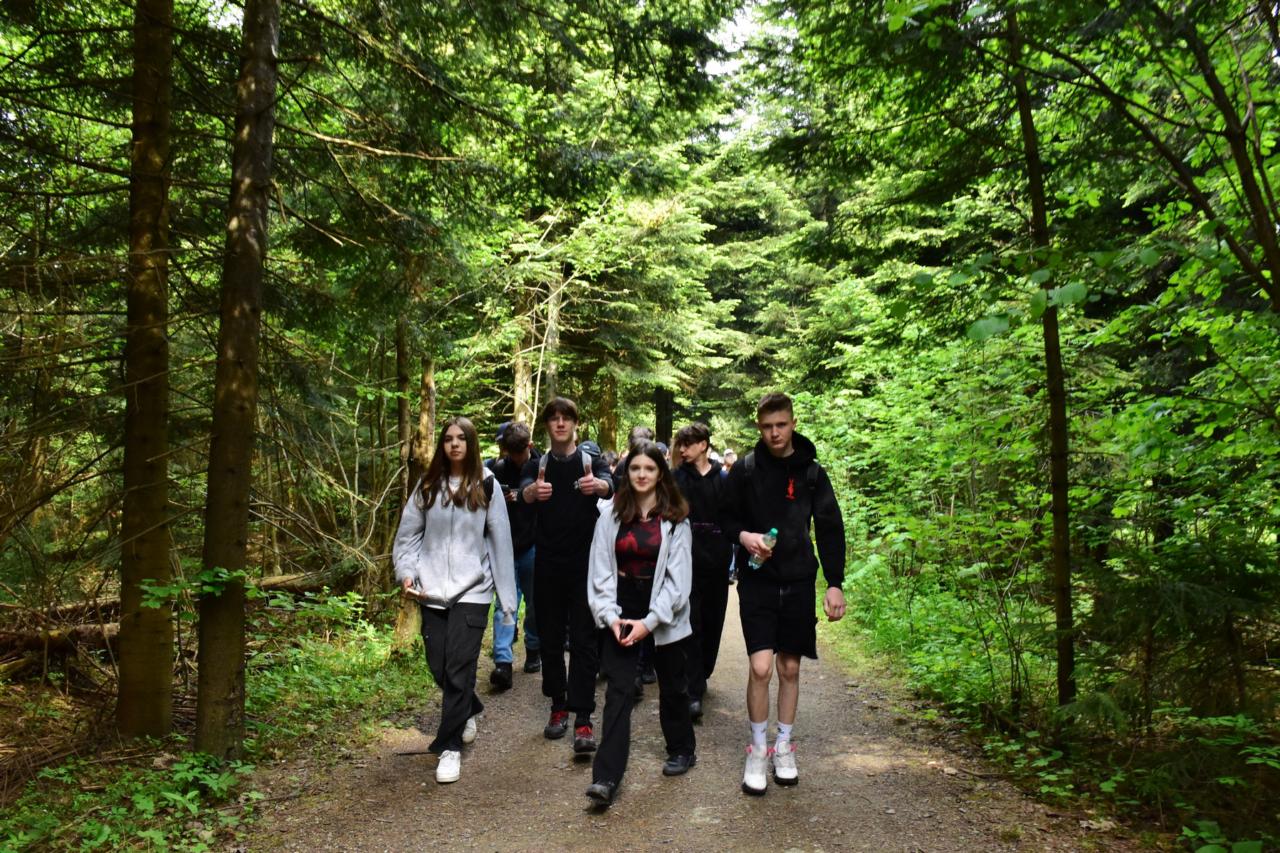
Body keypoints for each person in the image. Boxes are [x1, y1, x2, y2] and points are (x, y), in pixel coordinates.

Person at [721, 392, 846, 795]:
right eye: (767, 426)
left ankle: (784, 747)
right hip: (757, 580)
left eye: (781, 425)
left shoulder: (812, 473)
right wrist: (746, 537)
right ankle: (758, 749)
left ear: (793, 424)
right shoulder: (746, 470)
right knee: (761, 668)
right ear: (759, 427)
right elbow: (725, 519)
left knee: (789, 668)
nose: (774, 433)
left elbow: (829, 528)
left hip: (798, 581)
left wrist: (835, 582)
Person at [393, 417, 517, 784]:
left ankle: (449, 748)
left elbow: (501, 543)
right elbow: (408, 536)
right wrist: (407, 572)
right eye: (448, 438)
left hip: (473, 590)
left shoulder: (487, 485)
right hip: (430, 590)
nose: (455, 444)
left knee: (459, 666)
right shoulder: (428, 485)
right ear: (442, 445)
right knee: (439, 667)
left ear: (471, 443)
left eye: (462, 438)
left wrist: (507, 602)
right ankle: (469, 706)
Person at [585, 440, 696, 808]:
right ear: (626, 472)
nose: (642, 474)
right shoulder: (610, 515)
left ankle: (682, 748)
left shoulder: (676, 519)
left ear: (660, 473)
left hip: (663, 607)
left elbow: (678, 584)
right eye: (635, 468)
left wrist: (650, 622)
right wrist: (610, 616)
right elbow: (600, 571)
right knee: (618, 689)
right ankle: (605, 777)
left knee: (673, 684)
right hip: (622, 603)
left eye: (649, 468)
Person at [520, 397, 614, 753]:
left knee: (585, 640)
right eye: (554, 418)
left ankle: (584, 716)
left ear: (576, 424)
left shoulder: (591, 462)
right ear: (547, 425)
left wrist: (599, 487)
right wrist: (531, 492)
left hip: (585, 564)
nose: (560, 423)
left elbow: (611, 483)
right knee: (551, 638)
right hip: (547, 563)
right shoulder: (537, 465)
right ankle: (558, 706)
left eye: (566, 418)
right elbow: (523, 492)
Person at [672, 422, 733, 721]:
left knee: (712, 620)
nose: (683, 449)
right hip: (687, 560)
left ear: (704, 445)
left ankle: (703, 672)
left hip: (718, 560)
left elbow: (735, 516)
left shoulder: (723, 478)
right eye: (681, 444)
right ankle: (692, 690)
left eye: (688, 444)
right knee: (692, 622)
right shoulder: (677, 478)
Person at [487, 422, 541, 688]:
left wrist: (525, 496)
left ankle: (533, 648)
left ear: (529, 446)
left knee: (535, 603)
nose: (517, 458)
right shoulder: (497, 470)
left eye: (520, 452)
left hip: (534, 545)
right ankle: (503, 662)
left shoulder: (543, 466)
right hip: (505, 548)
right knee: (504, 604)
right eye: (512, 453)